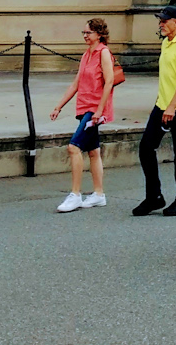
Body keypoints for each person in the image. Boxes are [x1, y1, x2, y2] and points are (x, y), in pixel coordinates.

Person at [134, 6, 176, 217]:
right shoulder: (166, 43)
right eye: (160, 20)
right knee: (146, 148)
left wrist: (172, 106)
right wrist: (162, 102)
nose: (161, 23)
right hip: (162, 104)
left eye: (165, 20)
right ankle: (154, 197)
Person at [50, 17, 116, 212]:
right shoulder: (87, 54)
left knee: (73, 147)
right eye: (84, 33)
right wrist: (59, 106)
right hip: (84, 106)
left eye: (88, 32)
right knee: (93, 151)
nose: (85, 36)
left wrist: (99, 110)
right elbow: (76, 83)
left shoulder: (103, 53)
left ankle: (75, 194)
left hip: (93, 109)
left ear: (99, 34)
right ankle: (98, 194)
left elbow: (109, 81)